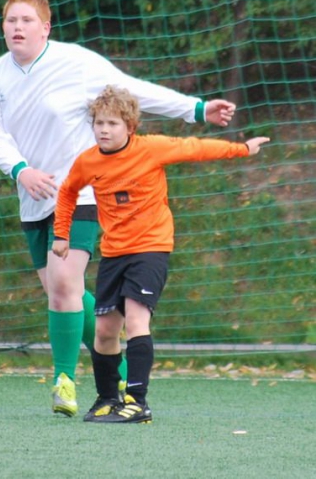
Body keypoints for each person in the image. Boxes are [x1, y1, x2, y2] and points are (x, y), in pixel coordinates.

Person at [0, 0, 237, 417]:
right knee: (63, 292)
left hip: (80, 194)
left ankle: (63, 382)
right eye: (11, 20)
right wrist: (21, 170)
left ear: (46, 27)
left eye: (26, 20)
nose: (17, 27)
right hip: (32, 196)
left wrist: (195, 109)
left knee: (64, 285)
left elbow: (132, 91)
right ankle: (119, 373)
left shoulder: (76, 63)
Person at [52, 85, 269, 423]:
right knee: (105, 331)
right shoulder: (88, 161)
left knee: (136, 320)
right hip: (114, 253)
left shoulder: (151, 148)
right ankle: (107, 399)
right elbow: (68, 192)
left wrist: (241, 149)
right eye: (99, 123)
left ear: (130, 127)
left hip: (150, 248)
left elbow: (195, 148)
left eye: (112, 123)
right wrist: (61, 234)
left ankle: (137, 403)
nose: (104, 130)